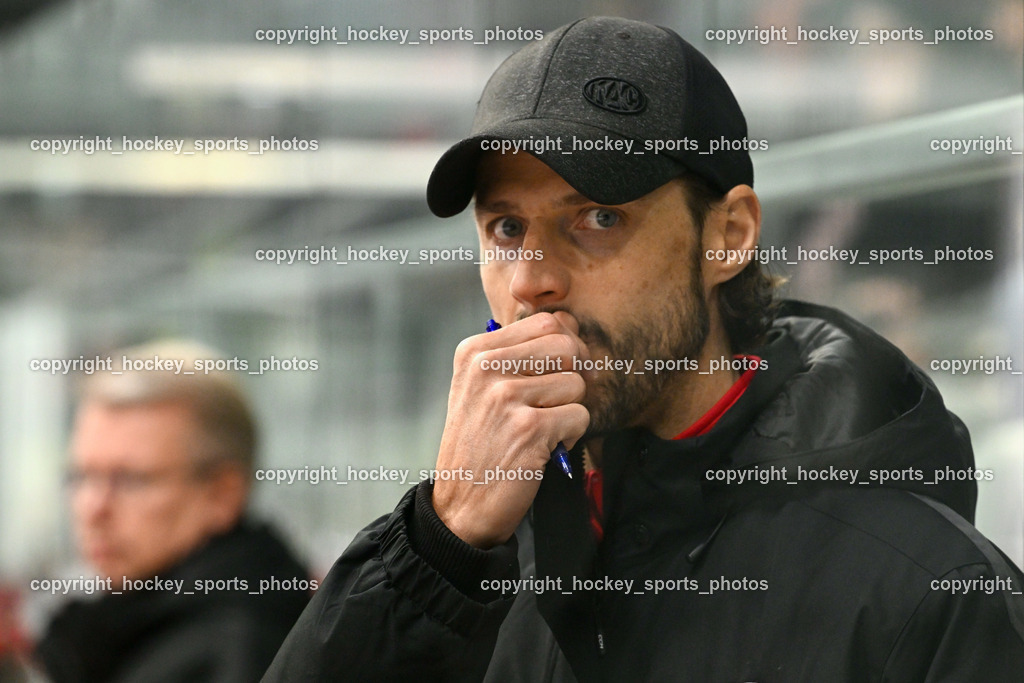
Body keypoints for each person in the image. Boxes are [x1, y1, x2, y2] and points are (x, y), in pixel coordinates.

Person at [264, 16, 1024, 682]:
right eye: (505, 228)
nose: (533, 280)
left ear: (728, 236)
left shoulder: (932, 589)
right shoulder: (479, 544)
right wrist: (439, 548)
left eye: (598, 219)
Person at [34, 340, 311, 683]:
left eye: (132, 480)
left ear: (222, 494)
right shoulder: (137, 628)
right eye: (82, 476)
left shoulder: (241, 653)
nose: (94, 508)